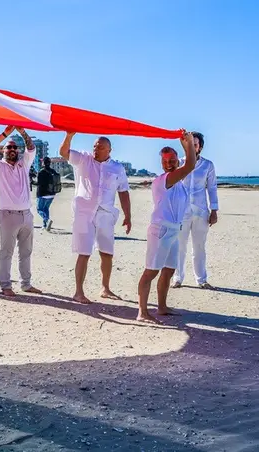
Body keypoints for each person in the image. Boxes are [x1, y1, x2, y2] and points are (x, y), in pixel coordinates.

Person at [59, 133, 132, 304]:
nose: (96, 150)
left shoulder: (117, 168)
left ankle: (105, 288)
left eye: (100, 147)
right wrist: (69, 135)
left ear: (109, 150)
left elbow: (123, 191)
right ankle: (78, 292)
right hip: (84, 213)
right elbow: (64, 152)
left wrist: (128, 216)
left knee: (107, 252)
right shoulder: (84, 159)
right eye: (94, 146)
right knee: (84, 252)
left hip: (106, 213)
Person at [137, 131, 196, 324]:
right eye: (165, 161)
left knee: (169, 269)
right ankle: (142, 311)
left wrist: (188, 148)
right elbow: (190, 165)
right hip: (160, 230)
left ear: (177, 161)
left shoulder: (179, 183)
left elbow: (189, 166)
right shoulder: (164, 180)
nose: (169, 164)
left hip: (174, 230)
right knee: (151, 271)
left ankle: (161, 307)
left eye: (172, 160)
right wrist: (187, 143)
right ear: (161, 164)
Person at [0, 126, 43, 297]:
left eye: (14, 147)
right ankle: (5, 285)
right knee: (6, 252)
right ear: (3, 151)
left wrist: (23, 132)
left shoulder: (23, 165)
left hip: (26, 214)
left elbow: (31, 148)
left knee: (26, 252)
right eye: (8, 147)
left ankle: (26, 284)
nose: (11, 149)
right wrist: (5, 133)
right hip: (8, 215)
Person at [173, 132, 219, 289]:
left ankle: (201, 279)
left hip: (200, 211)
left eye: (195, 144)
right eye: (190, 144)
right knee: (179, 245)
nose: (193, 147)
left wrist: (214, 210)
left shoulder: (208, 165)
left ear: (200, 147)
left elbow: (212, 188)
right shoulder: (178, 163)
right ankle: (178, 278)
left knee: (199, 247)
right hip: (181, 211)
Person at [35, 156, 60, 231]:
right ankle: (45, 225)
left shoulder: (41, 172)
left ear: (43, 163)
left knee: (39, 209)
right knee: (46, 209)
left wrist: (32, 182)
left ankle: (47, 220)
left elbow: (39, 183)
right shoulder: (53, 171)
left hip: (43, 194)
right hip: (52, 194)